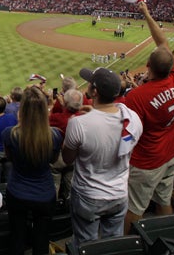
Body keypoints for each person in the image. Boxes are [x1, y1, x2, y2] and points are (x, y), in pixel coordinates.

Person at [62, 67, 142, 251]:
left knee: (85, 245)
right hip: (119, 194)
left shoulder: (78, 123)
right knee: (113, 246)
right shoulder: (133, 119)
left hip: (88, 196)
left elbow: (67, 159)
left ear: (94, 91)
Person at [123, 1, 174, 233]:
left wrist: (146, 11)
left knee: (134, 207)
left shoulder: (138, 95)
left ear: (148, 67)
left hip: (147, 159)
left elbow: (128, 133)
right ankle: (166, 237)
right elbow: (163, 44)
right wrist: (147, 13)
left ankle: (126, 245)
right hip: (170, 152)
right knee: (164, 200)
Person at [3, 85, 63, 255]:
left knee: (17, 239)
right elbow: (52, 160)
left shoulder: (10, 134)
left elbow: (10, 158)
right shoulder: (55, 135)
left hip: (17, 192)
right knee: (41, 242)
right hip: (44, 193)